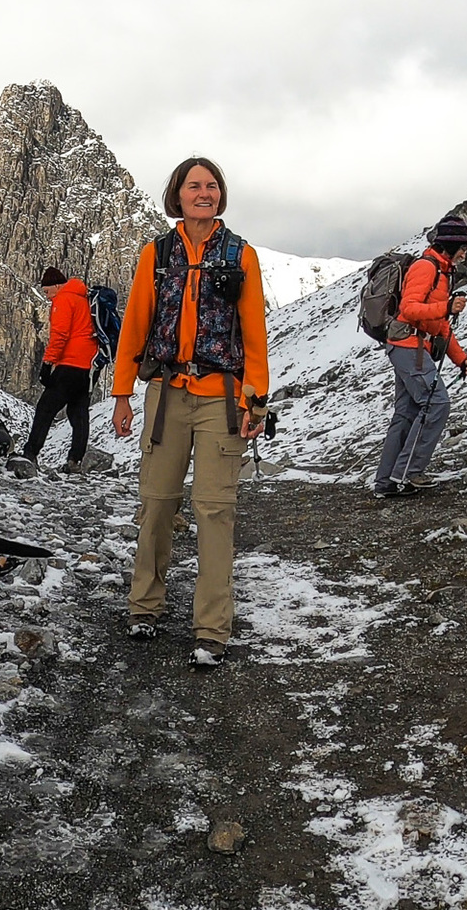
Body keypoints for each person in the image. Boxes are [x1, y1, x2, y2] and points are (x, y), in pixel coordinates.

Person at [110, 157, 268, 670]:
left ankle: (212, 628)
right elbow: (136, 322)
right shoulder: (155, 254)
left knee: (214, 510)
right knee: (156, 504)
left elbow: (253, 333)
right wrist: (121, 393)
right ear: (176, 194)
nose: (205, 192)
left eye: (212, 185)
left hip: (222, 397)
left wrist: (255, 398)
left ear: (221, 194)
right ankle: (144, 607)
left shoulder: (241, 254)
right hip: (165, 395)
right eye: (194, 185)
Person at [372, 216, 467, 497]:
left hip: (411, 347)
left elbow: (441, 327)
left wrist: (461, 359)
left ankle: (386, 483)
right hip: (409, 346)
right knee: (436, 404)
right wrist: (446, 306)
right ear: (450, 245)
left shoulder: (442, 272)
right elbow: (410, 309)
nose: (465, 254)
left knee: (407, 413)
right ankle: (409, 473)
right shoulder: (426, 268)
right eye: (463, 248)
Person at [22, 267, 100, 472]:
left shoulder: (63, 300)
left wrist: (48, 363)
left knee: (45, 409)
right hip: (86, 366)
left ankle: (30, 453)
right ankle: (75, 460)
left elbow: (60, 335)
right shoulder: (83, 298)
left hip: (69, 364)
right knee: (78, 412)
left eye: (47, 292)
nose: (47, 298)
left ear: (57, 285)